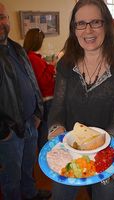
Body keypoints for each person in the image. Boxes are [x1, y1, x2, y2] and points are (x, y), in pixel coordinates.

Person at [47, 0, 114, 200]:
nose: (88, 30)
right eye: (81, 23)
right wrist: (55, 131)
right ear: (74, 29)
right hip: (71, 151)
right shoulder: (65, 64)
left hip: (108, 153)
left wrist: (96, 147)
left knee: (105, 193)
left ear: (107, 26)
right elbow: (57, 108)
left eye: (96, 22)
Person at [0, 3, 51, 200]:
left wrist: (38, 112)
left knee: (28, 167)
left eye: (2, 17)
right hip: (9, 132)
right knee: (10, 178)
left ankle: (30, 194)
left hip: (30, 123)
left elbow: (33, 82)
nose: (0, 23)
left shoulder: (17, 49)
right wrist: (3, 131)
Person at [23, 28, 56, 152]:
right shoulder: (34, 59)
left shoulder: (26, 56)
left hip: (37, 100)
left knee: (43, 128)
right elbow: (43, 82)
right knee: (46, 129)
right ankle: (46, 152)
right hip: (46, 99)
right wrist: (51, 69)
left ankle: (43, 150)